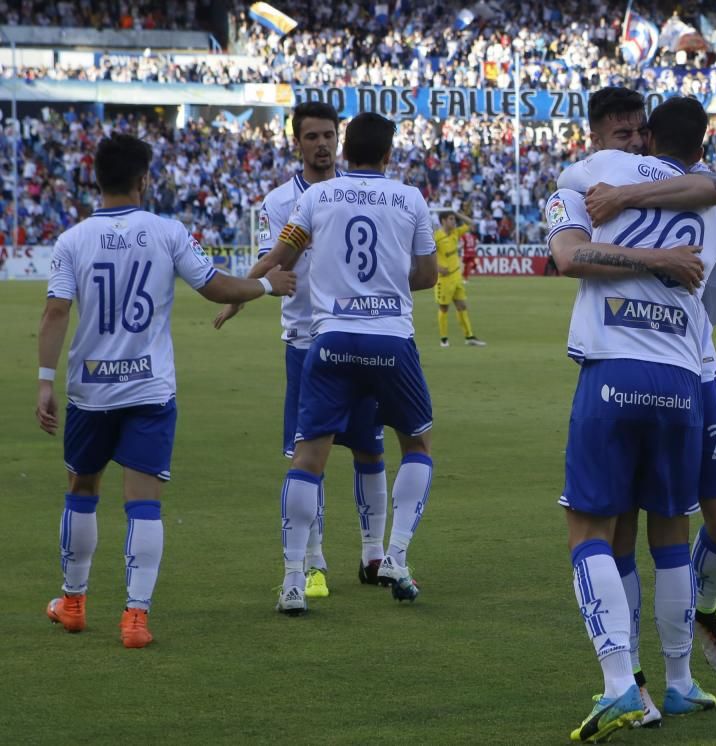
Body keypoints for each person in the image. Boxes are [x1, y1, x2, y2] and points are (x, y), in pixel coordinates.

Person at [37, 134, 295, 647]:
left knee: (82, 491)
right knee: (144, 503)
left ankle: (73, 602)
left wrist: (46, 383)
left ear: (96, 179)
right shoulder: (167, 231)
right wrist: (268, 285)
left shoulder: (71, 240)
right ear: (144, 179)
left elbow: (55, 313)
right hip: (149, 388)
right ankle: (135, 618)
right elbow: (215, 286)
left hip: (90, 390)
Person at [555, 88, 716, 716]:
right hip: (683, 382)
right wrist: (666, 264)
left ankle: (619, 686)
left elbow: (566, 256)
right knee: (671, 531)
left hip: (612, 371)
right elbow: (711, 308)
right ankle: (678, 681)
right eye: (624, 132)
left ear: (649, 134)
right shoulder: (714, 208)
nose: (632, 141)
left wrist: (643, 256)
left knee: (593, 530)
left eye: (638, 132)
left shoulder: (590, 174)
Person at [257, 112, 438, 615]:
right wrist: (388, 281)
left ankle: (295, 579)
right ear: (387, 154)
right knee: (416, 443)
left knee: (307, 457)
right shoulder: (409, 198)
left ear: (345, 148)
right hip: (390, 341)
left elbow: (282, 260)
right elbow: (427, 276)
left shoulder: (314, 198)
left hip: (330, 340)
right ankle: (395, 557)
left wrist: (242, 293)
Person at [212, 101, 391, 598]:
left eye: (328, 135)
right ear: (297, 143)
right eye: (311, 136)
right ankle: (312, 563)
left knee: (370, 448)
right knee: (307, 457)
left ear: (341, 139)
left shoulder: (358, 193)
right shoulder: (279, 202)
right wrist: (241, 296)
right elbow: (276, 261)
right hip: (306, 342)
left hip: (361, 335)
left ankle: (373, 552)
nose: (321, 144)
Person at [433, 211, 486, 348]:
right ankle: (444, 339)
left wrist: (457, 213)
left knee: (462, 305)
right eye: (451, 219)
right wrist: (438, 268)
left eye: (454, 219)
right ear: (443, 221)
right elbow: (427, 255)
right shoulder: (436, 237)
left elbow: (472, 224)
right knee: (444, 308)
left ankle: (469, 336)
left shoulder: (456, 232)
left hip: (456, 277)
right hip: (443, 279)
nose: (454, 221)